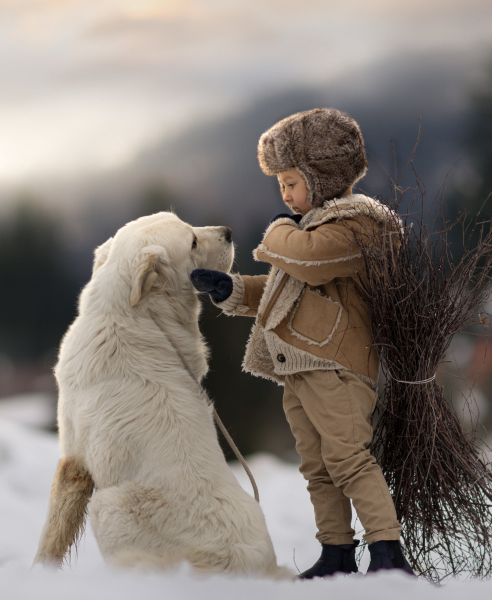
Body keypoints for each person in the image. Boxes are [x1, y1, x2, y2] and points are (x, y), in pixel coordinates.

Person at [190, 108, 414, 578]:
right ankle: (336, 551)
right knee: (317, 466)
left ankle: (387, 551)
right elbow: (284, 289)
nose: (286, 195)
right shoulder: (312, 226)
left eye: (291, 182)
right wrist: (232, 289)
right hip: (301, 366)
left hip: (338, 367)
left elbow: (307, 261)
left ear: (322, 176)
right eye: (281, 185)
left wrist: (277, 228)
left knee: (349, 458)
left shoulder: (358, 225)